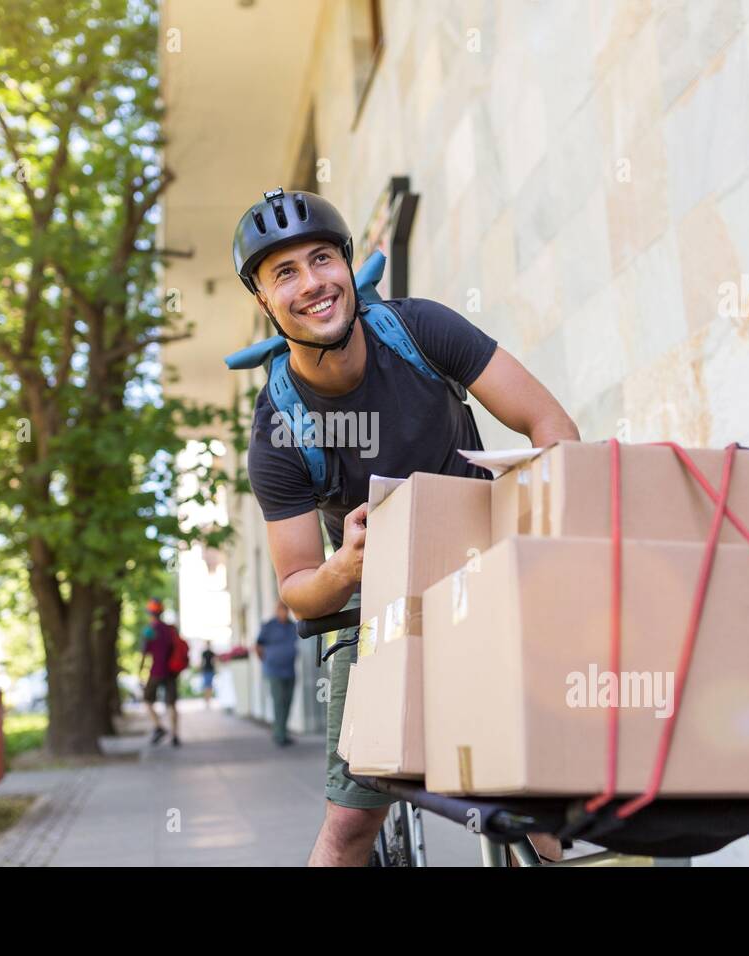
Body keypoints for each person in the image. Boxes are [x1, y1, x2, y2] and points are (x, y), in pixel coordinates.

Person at [232, 188, 580, 866]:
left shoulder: (419, 329)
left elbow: (550, 425)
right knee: (348, 828)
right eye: (286, 273)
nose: (313, 283)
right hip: (378, 605)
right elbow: (298, 586)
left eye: (322, 259)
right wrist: (344, 567)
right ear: (265, 301)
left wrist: (547, 520)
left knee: (534, 803)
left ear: (347, 264)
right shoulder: (278, 431)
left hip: (487, 571)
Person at [139, 598, 183, 747]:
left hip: (157, 670)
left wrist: (140, 672)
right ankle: (175, 735)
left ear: (150, 613)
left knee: (147, 699)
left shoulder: (149, 630)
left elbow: (144, 653)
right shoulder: (171, 629)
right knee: (172, 704)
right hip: (171, 671)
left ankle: (159, 727)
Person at [255, 600, 298, 746]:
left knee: (288, 702)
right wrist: (267, 660)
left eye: (286, 610)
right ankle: (279, 735)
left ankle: (283, 732)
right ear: (277, 611)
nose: (284, 613)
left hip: (290, 670)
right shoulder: (269, 626)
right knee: (279, 702)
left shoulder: (292, 626)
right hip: (274, 671)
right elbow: (258, 646)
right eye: (281, 610)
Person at [199, 641, 217, 708]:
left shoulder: (212, 653)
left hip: (210, 670)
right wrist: (201, 669)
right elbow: (202, 662)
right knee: (207, 685)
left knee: (209, 685)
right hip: (206, 670)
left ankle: (208, 699)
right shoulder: (205, 653)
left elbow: (214, 661)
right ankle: (207, 699)